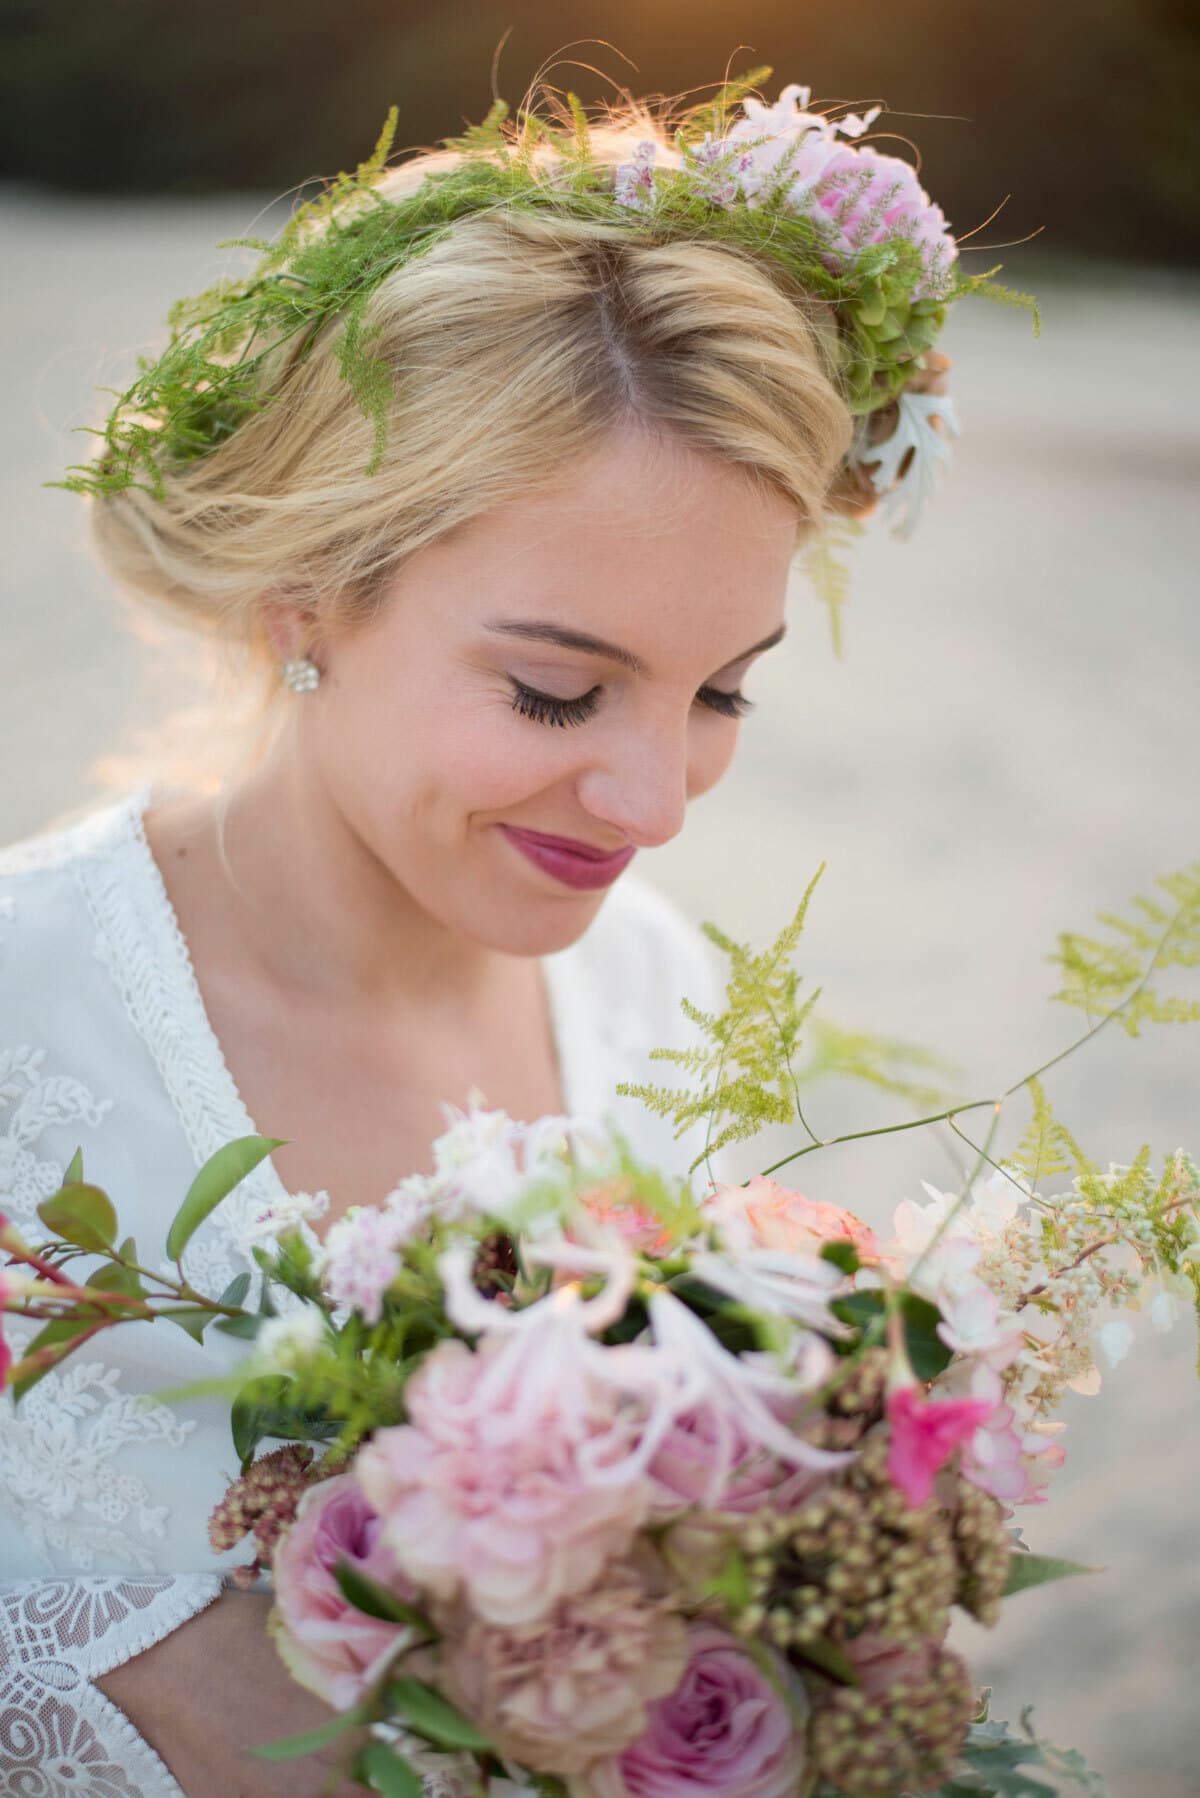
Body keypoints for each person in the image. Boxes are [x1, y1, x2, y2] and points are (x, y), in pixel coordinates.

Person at [0, 71, 970, 1795]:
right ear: (309, 589)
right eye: (555, 689)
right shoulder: (23, 1013)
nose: (657, 799)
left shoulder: (652, 985)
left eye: (722, 688)